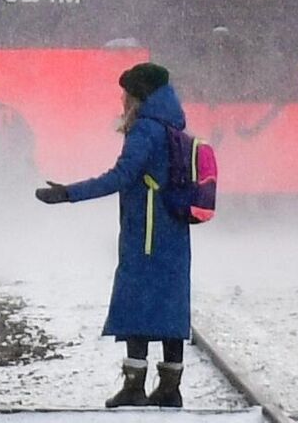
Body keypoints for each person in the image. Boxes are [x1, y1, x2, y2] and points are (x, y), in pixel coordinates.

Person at [35, 62, 190, 408]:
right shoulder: (173, 126)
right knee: (169, 304)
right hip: (172, 230)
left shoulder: (146, 130)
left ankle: (134, 386)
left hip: (146, 232)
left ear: (138, 96)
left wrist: (69, 193)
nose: (122, 100)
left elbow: (120, 176)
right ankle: (170, 386)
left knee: (136, 302)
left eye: (126, 94)